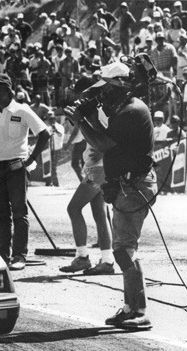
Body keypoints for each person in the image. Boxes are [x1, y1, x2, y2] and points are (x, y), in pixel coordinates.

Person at [65, 61, 157, 330]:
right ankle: (131, 308)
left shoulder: (131, 111)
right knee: (124, 248)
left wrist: (82, 121)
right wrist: (90, 118)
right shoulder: (128, 108)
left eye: (106, 88)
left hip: (134, 186)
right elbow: (107, 136)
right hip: (130, 184)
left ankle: (139, 311)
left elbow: (103, 143)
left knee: (124, 249)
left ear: (120, 86)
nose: (102, 94)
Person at [0, 73, 50, 271]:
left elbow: (44, 133)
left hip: (16, 168)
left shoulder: (22, 110)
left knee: (19, 213)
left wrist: (31, 159)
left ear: (8, 90)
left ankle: (19, 255)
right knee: (1, 215)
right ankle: (2, 255)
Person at [59, 76, 115, 276]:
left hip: (99, 168)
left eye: (78, 94)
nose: (76, 98)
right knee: (100, 213)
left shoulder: (95, 110)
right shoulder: (95, 108)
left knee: (74, 208)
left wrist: (101, 152)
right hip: (98, 167)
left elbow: (103, 135)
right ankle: (107, 260)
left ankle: (82, 257)